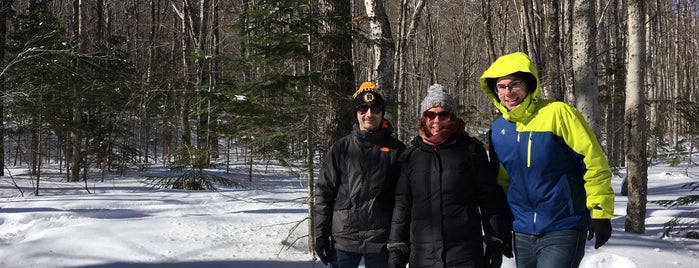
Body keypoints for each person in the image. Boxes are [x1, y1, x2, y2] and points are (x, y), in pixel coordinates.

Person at [479, 52, 614, 268]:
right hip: (521, 230)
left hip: (563, 225)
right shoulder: (498, 129)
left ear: (529, 84)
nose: (508, 92)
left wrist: (600, 211)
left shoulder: (558, 114)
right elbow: (503, 182)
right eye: (501, 87)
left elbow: (593, 162)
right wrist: (502, 226)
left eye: (515, 84)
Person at [387, 84, 513, 268]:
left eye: (443, 114)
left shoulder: (470, 150)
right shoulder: (412, 155)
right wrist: (397, 248)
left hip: (464, 255)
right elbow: (402, 205)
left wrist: (495, 241)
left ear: (452, 117)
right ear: (424, 118)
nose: (436, 120)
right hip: (423, 255)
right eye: (431, 114)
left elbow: (489, 199)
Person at [314, 81, 406, 268]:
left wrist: (400, 240)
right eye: (363, 108)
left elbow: (403, 200)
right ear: (356, 113)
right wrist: (321, 234)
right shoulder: (341, 148)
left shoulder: (397, 150)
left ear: (382, 112)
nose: (369, 114)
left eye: (375, 108)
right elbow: (324, 193)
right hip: (344, 239)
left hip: (381, 241)